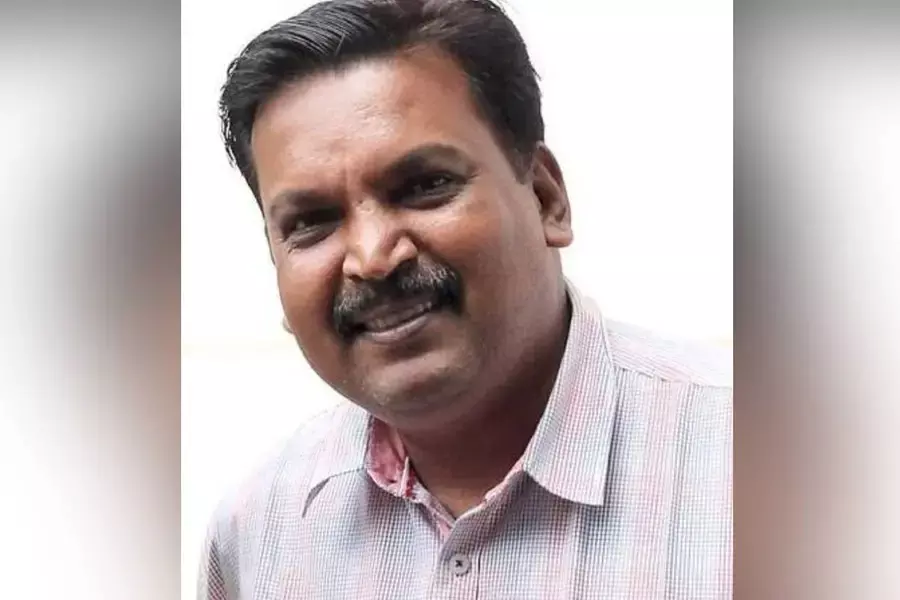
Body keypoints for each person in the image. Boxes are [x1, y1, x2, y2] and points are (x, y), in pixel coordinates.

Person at [197, 0, 732, 598]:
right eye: (311, 222)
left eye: (424, 186)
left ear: (545, 198)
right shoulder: (260, 531)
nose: (372, 257)